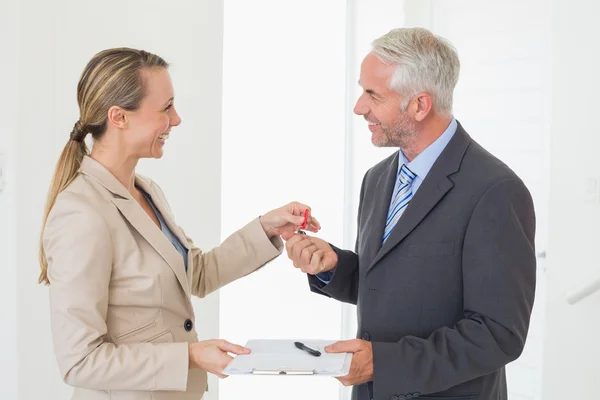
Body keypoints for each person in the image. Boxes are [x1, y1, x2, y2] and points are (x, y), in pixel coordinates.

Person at [38, 47, 320, 400]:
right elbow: (80, 361)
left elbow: (195, 274)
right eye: (165, 108)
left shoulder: (146, 191)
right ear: (119, 117)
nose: (177, 119)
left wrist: (266, 228)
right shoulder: (81, 213)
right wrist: (187, 356)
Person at [285, 27, 536, 400]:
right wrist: (333, 265)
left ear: (420, 104)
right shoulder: (378, 178)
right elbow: (397, 284)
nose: (359, 107)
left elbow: (498, 334)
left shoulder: (495, 191)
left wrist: (382, 363)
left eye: (373, 95)